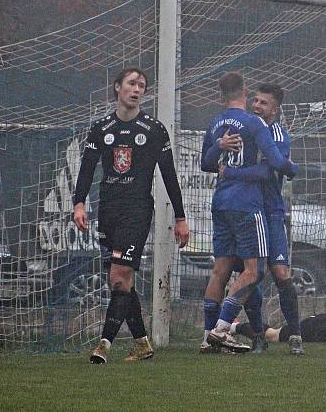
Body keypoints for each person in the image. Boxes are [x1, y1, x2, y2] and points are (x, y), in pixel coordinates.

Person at [73, 67, 190, 364]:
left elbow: (169, 175)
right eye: (132, 84)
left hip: (137, 210)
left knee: (119, 275)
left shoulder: (153, 129)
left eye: (141, 85)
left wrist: (180, 217)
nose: (137, 89)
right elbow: (86, 169)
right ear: (117, 88)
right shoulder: (100, 128)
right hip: (107, 209)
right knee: (122, 284)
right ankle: (142, 344)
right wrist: (78, 204)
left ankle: (103, 345)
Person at [199, 71, 298, 353]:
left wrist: (220, 151)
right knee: (254, 272)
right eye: (253, 98)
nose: (256, 104)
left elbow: (206, 164)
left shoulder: (217, 122)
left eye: (262, 101)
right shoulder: (254, 123)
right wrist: (293, 168)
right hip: (247, 206)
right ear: (244, 94)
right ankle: (221, 328)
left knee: (221, 270)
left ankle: (207, 339)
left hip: (220, 203)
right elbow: (276, 164)